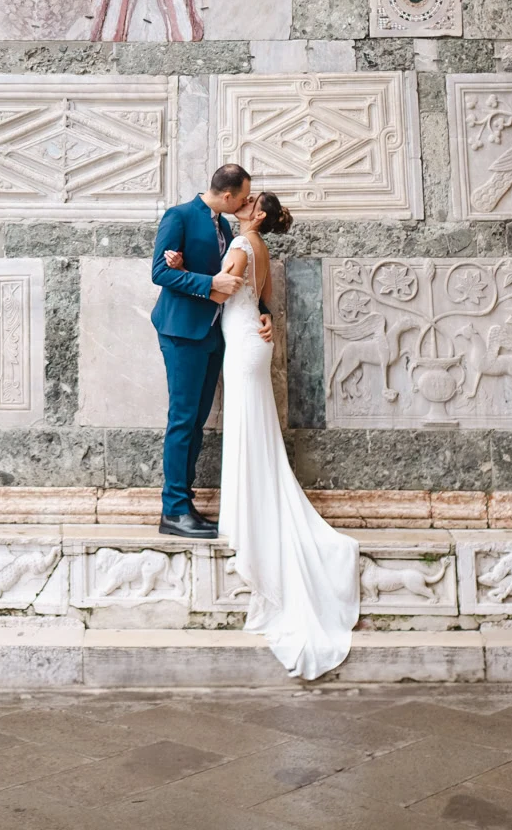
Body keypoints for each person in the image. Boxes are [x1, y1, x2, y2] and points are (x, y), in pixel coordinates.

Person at [168, 190, 360, 679]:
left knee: (249, 426)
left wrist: (182, 264)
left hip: (243, 347)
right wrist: (264, 313)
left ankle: (250, 516)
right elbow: (263, 296)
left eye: (250, 200)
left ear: (254, 212)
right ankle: (253, 507)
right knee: (253, 428)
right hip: (250, 341)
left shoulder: (241, 244)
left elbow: (217, 291)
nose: (245, 202)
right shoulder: (259, 245)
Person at [149, 163, 261, 539]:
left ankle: (185, 503)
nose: (246, 203)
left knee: (195, 422)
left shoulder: (225, 225)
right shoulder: (178, 216)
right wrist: (206, 280)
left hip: (213, 334)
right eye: (243, 198)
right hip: (181, 332)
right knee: (182, 420)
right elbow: (159, 273)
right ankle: (173, 510)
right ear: (227, 195)